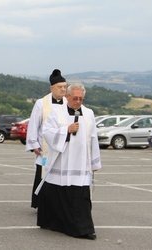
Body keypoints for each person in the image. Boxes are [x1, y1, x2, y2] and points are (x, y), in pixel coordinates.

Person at [37, 82, 101, 240]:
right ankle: (56, 224)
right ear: (67, 97)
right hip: (61, 161)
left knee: (80, 197)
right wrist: (66, 130)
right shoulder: (56, 112)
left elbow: (93, 138)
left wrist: (94, 162)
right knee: (59, 195)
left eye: (81, 99)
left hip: (80, 164)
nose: (78, 102)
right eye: (75, 98)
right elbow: (47, 131)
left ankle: (83, 229)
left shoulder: (88, 113)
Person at [26, 69, 67, 208]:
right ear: (52, 88)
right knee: (43, 175)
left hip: (62, 147)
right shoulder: (41, 103)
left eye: (64, 87)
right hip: (45, 148)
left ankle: (57, 203)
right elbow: (33, 124)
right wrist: (34, 144)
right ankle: (41, 203)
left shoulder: (68, 103)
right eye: (60, 87)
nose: (63, 90)